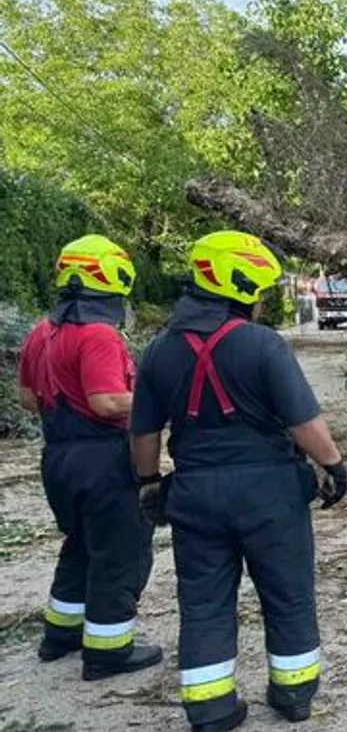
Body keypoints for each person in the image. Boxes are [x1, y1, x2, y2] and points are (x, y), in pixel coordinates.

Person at [130, 230, 347, 732]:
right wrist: (334, 466)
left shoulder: (159, 350)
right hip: (271, 495)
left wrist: (149, 483)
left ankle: (210, 708)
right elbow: (303, 423)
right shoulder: (263, 344)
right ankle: (294, 695)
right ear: (241, 286)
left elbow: (143, 433)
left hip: (196, 494)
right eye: (259, 289)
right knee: (288, 591)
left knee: (204, 600)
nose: (263, 299)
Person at [16, 234, 161, 678]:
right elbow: (107, 402)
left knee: (80, 544)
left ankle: (60, 635)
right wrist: (159, 401)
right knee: (120, 552)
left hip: (58, 457)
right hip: (103, 459)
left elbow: (27, 399)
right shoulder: (99, 334)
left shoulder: (41, 332)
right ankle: (108, 651)